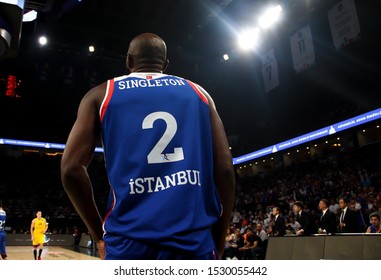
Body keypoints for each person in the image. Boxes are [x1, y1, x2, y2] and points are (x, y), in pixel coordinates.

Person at [61, 33, 235, 260]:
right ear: (165, 64)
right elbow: (225, 171)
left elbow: (70, 169)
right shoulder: (199, 94)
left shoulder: (100, 95)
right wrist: (219, 240)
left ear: (129, 61)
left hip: (126, 245)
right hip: (193, 244)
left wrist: (98, 234)